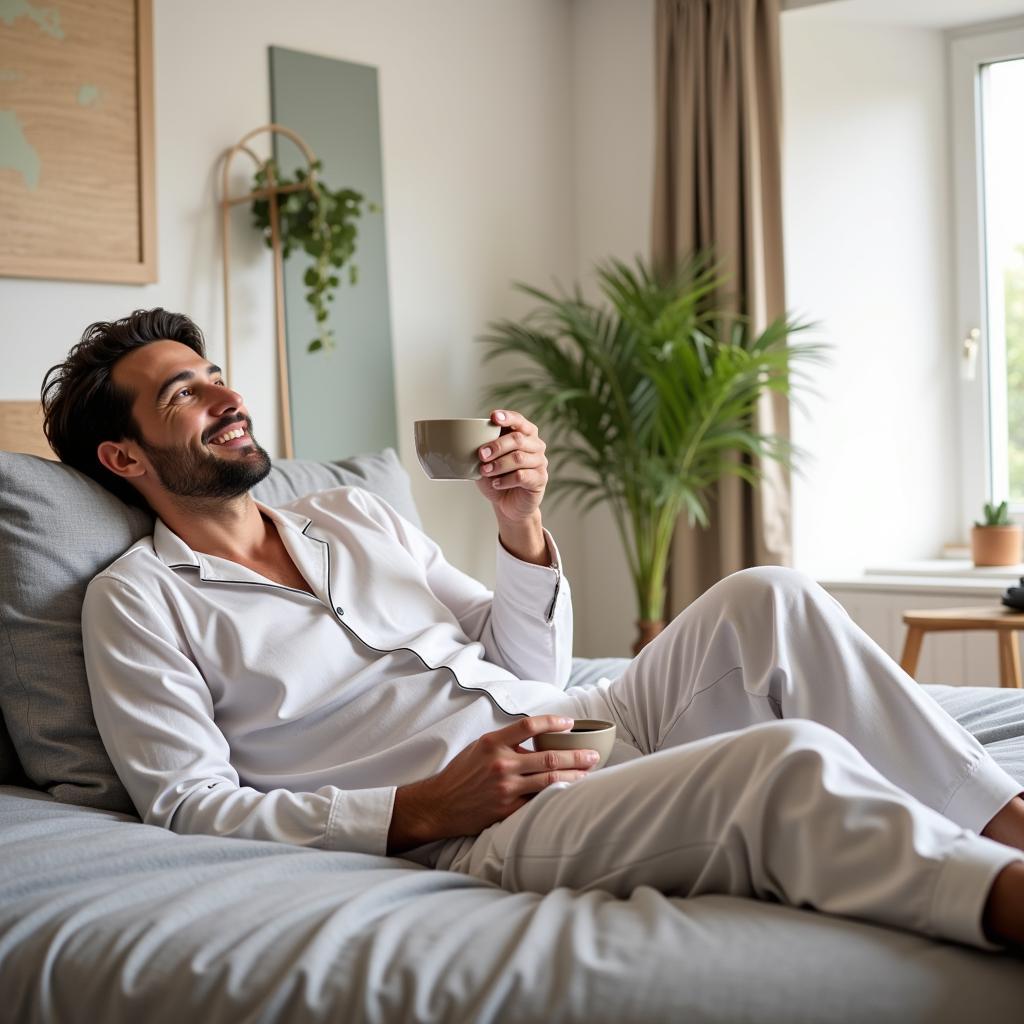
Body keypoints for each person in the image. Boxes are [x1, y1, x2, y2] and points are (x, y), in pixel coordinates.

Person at [43, 307, 1024, 953]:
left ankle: (1013, 830)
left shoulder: (348, 514)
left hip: (580, 720)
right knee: (779, 763)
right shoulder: (136, 600)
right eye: (185, 393)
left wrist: (519, 525)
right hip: (493, 819)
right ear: (124, 453)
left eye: (215, 373)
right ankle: (1002, 901)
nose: (227, 395)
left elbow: (520, 657)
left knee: (770, 596)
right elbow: (187, 803)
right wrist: (418, 807)